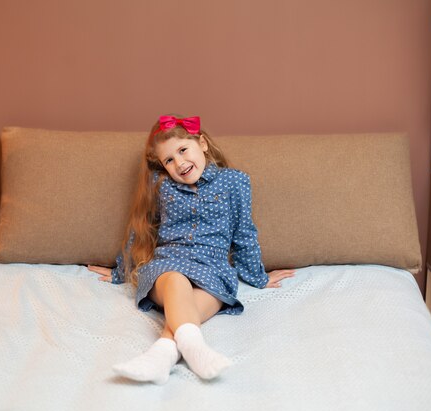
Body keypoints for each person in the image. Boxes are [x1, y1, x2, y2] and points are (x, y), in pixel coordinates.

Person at [88, 115, 295, 384]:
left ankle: (162, 354)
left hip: (214, 272)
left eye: (183, 150)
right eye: (169, 160)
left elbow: (244, 232)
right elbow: (142, 230)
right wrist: (120, 271)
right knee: (175, 280)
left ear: (203, 144)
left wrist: (259, 276)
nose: (180, 163)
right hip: (169, 265)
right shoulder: (160, 185)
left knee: (194, 304)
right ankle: (196, 349)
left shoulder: (235, 182)